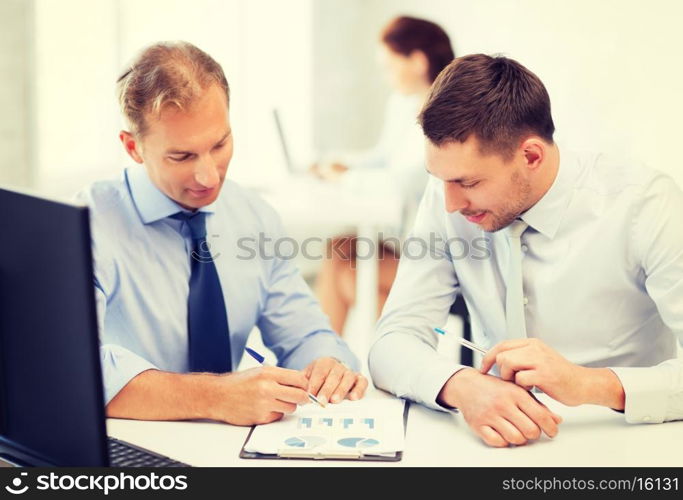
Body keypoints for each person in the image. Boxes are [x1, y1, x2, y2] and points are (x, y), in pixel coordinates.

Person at [369, 53, 683, 447]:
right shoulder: (447, 195)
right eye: (441, 179)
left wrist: (589, 384)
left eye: (468, 183)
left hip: (626, 443)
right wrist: (461, 385)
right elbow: (392, 342)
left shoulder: (645, 206)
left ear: (531, 156)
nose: (450, 203)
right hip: (498, 448)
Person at [76, 41, 368, 427]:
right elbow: (73, 366)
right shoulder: (86, 223)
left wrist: (327, 363)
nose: (209, 176)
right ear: (134, 147)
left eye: (220, 144)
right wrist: (215, 397)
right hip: (132, 445)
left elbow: (305, 333)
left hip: (228, 448)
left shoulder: (255, 217)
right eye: (182, 156)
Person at [313, 16, 455, 334]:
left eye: (390, 67)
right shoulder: (403, 104)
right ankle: (327, 367)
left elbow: (406, 182)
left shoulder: (447, 116)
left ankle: (332, 368)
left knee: (352, 275)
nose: (387, 78)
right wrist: (338, 163)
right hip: (404, 240)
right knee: (340, 249)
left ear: (417, 62)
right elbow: (383, 158)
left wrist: (344, 179)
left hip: (437, 253)